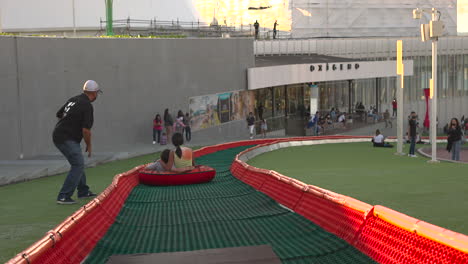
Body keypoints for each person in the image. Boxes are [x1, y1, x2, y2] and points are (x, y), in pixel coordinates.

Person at [52, 80, 101, 204]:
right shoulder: (87, 105)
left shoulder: (74, 99)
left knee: (78, 162)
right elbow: (86, 130)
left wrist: (68, 123)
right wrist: (89, 145)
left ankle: (83, 191)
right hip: (66, 138)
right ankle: (63, 196)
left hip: (61, 135)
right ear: (94, 93)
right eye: (97, 93)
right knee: (78, 164)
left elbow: (59, 114)